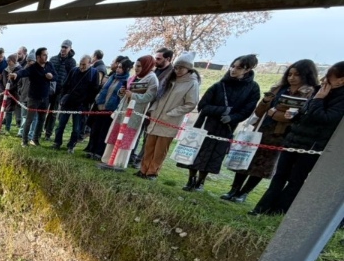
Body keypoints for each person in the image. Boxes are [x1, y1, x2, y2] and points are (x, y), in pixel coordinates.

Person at [251, 61, 344, 215]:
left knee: (296, 180)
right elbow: (305, 111)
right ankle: (261, 208)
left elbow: (325, 118)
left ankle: (278, 211)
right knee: (279, 175)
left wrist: (319, 100)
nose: (324, 80)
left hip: (312, 146)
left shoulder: (335, 98)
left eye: (329, 77)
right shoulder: (320, 91)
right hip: (294, 139)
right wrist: (294, 115)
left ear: (341, 80)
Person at [222, 60, 319, 203]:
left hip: (281, 134)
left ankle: (244, 193)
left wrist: (274, 113)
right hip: (262, 128)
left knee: (264, 165)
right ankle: (233, 189)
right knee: (246, 158)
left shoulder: (309, 93)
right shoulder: (278, 89)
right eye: (290, 74)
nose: (292, 78)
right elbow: (260, 110)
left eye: (297, 75)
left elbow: (294, 116)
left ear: (306, 75)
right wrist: (267, 103)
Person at [180, 54, 261, 191]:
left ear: (248, 69)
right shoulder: (220, 85)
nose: (233, 70)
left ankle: (201, 181)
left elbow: (247, 110)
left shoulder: (253, 88)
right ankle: (191, 179)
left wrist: (233, 117)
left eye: (239, 68)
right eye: (233, 66)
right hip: (207, 124)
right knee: (197, 151)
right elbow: (203, 106)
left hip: (226, 128)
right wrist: (222, 110)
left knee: (214, 156)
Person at [136, 52, 200, 179]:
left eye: (181, 68)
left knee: (160, 150)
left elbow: (190, 104)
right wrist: (153, 110)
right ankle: (143, 170)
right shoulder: (169, 79)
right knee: (149, 146)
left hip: (170, 121)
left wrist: (171, 113)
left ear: (189, 68)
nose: (177, 70)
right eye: (176, 67)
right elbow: (159, 97)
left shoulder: (192, 83)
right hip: (156, 118)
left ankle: (152, 172)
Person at [99, 55, 159, 170]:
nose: (136, 68)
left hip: (135, 113)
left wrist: (133, 95)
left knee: (126, 136)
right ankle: (108, 159)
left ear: (147, 66)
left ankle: (119, 162)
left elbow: (150, 96)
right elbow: (127, 92)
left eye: (139, 66)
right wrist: (122, 92)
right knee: (115, 134)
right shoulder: (136, 76)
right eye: (136, 66)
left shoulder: (152, 79)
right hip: (123, 110)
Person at [130, 48, 174, 168]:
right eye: (155, 58)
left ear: (168, 59)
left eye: (159, 59)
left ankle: (140, 160)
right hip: (142, 106)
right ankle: (132, 155)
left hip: (155, 108)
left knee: (148, 136)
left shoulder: (171, 73)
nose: (156, 61)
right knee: (137, 131)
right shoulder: (153, 70)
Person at [83, 57, 132, 159]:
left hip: (111, 110)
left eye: (120, 68)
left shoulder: (126, 81)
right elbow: (104, 90)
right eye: (118, 67)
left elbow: (120, 96)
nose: (118, 69)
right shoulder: (112, 77)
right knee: (95, 130)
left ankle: (98, 153)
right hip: (100, 107)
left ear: (126, 69)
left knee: (103, 132)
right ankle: (91, 150)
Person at [53, 55, 100, 153]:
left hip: (81, 105)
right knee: (61, 124)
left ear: (90, 64)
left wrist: (87, 102)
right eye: (80, 64)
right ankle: (57, 142)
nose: (81, 67)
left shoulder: (93, 73)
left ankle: (71, 146)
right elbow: (65, 84)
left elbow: (94, 89)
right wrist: (64, 96)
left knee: (76, 128)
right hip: (69, 102)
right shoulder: (74, 70)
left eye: (84, 65)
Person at [10, 47, 56, 147]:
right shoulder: (33, 67)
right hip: (34, 98)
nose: (46, 56)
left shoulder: (49, 65)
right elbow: (23, 72)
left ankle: (35, 139)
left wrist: (51, 76)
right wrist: (15, 75)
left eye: (47, 54)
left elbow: (55, 76)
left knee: (41, 120)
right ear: (38, 57)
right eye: (44, 55)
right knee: (29, 120)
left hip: (45, 98)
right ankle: (24, 141)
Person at [45, 39, 77, 140]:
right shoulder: (53, 59)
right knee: (43, 110)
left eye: (65, 47)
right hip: (49, 88)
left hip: (60, 91)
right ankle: (39, 130)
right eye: (62, 47)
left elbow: (71, 77)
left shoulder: (72, 62)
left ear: (70, 48)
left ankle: (48, 133)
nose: (63, 49)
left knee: (53, 113)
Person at [0, 54, 22, 134]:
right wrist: (3, 90)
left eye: (9, 61)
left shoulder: (19, 71)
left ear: (14, 61)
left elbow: (18, 83)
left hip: (12, 94)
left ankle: (7, 129)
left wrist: (9, 90)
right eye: (7, 60)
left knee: (9, 111)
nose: (7, 62)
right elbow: (0, 81)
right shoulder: (5, 70)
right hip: (2, 92)